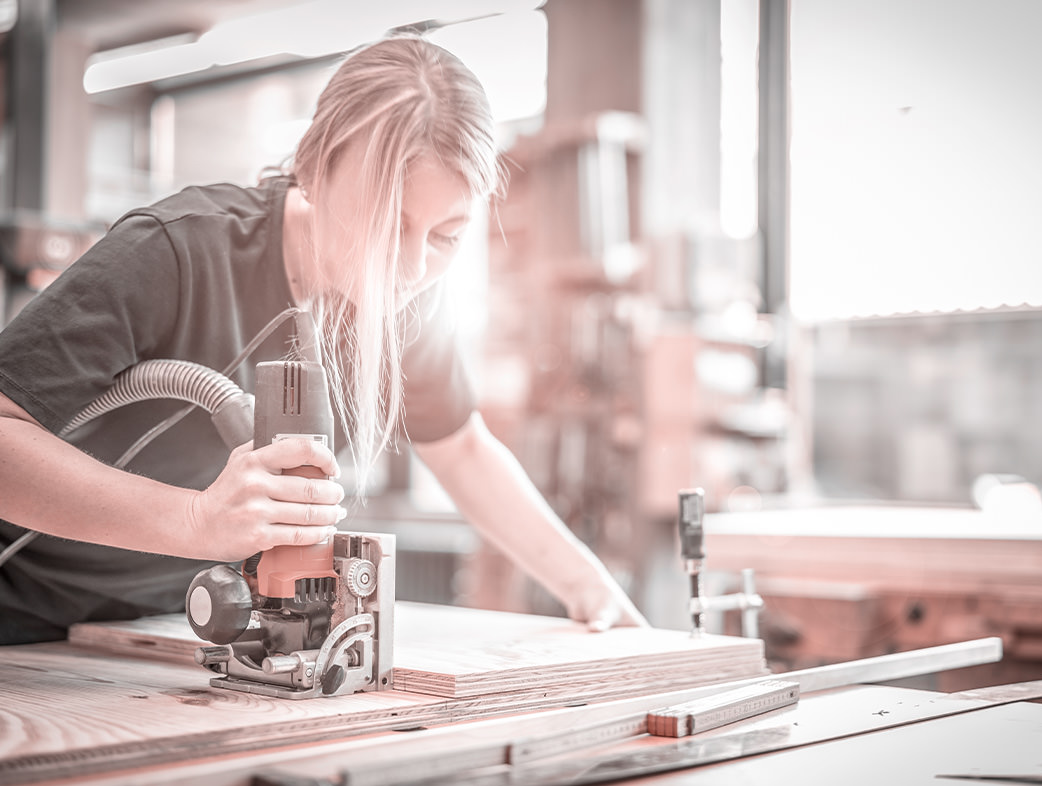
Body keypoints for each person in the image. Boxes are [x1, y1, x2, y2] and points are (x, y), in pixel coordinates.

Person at [0, 34, 647, 645]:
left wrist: (590, 589)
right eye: (388, 225)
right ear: (313, 166)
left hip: (161, 628)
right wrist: (197, 522)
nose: (414, 267)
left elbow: (463, 450)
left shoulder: (404, 303)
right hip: (22, 612)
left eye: (446, 235)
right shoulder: (175, 250)